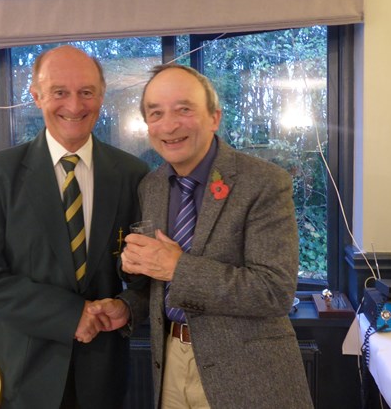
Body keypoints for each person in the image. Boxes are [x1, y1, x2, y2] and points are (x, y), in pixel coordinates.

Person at [88, 64, 314, 408]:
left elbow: (274, 291)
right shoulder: (151, 187)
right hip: (169, 365)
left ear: (214, 117)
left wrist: (179, 268)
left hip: (249, 375)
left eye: (184, 109)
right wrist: (127, 307)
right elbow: (160, 286)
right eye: (156, 113)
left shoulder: (264, 182)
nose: (169, 124)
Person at [0, 45, 148, 409]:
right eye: (60, 92)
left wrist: (127, 306)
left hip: (103, 374)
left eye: (86, 92)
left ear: (101, 96)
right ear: (36, 96)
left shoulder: (132, 174)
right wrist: (70, 314)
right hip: (21, 375)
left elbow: (145, 281)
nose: (74, 106)